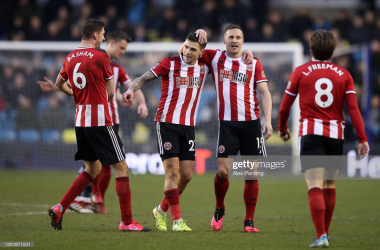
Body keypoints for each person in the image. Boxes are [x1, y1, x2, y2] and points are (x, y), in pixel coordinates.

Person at [48, 19, 151, 232]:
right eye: (103, 34)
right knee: (122, 168)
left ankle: (60, 208)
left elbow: (59, 83)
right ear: (95, 35)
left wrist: (72, 93)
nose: (103, 37)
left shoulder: (69, 57)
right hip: (101, 121)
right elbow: (112, 93)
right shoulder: (101, 56)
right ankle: (127, 222)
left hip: (80, 122)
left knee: (92, 168)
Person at [278, 30, 369, 247]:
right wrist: (362, 138)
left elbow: (284, 108)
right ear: (333, 50)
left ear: (310, 49)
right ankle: (325, 233)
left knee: (314, 186)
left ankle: (321, 236)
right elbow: (353, 109)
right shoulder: (344, 74)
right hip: (335, 136)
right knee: (329, 186)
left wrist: (282, 128)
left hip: (311, 134)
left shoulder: (300, 72)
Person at [190, 24, 273, 233]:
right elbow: (187, 52)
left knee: (250, 173)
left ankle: (249, 221)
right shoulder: (214, 57)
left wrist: (268, 120)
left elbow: (264, 92)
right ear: (224, 40)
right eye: (230, 37)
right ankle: (219, 207)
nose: (234, 41)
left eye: (238, 37)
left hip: (251, 124)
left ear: (243, 41)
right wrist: (200, 36)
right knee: (222, 172)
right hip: (227, 124)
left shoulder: (253, 63)